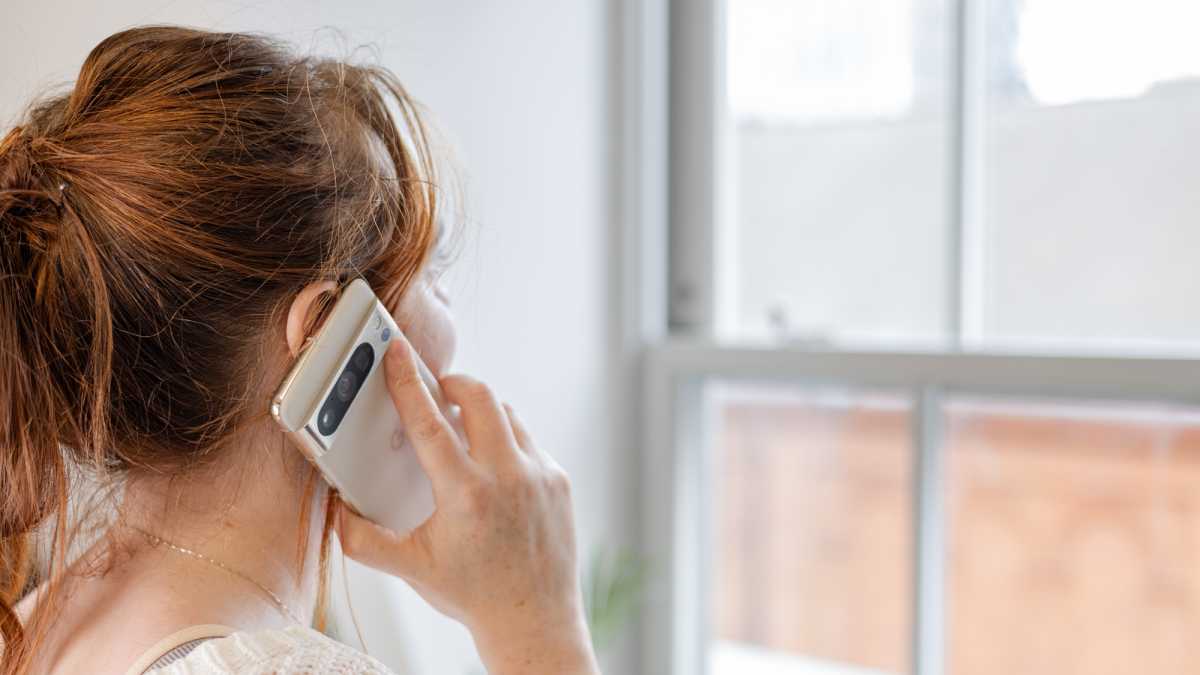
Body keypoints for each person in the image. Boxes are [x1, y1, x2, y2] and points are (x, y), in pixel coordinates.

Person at [0, 26, 601, 675]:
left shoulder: (32, 626)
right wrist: (538, 624)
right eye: (428, 272)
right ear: (324, 332)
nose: (449, 320)